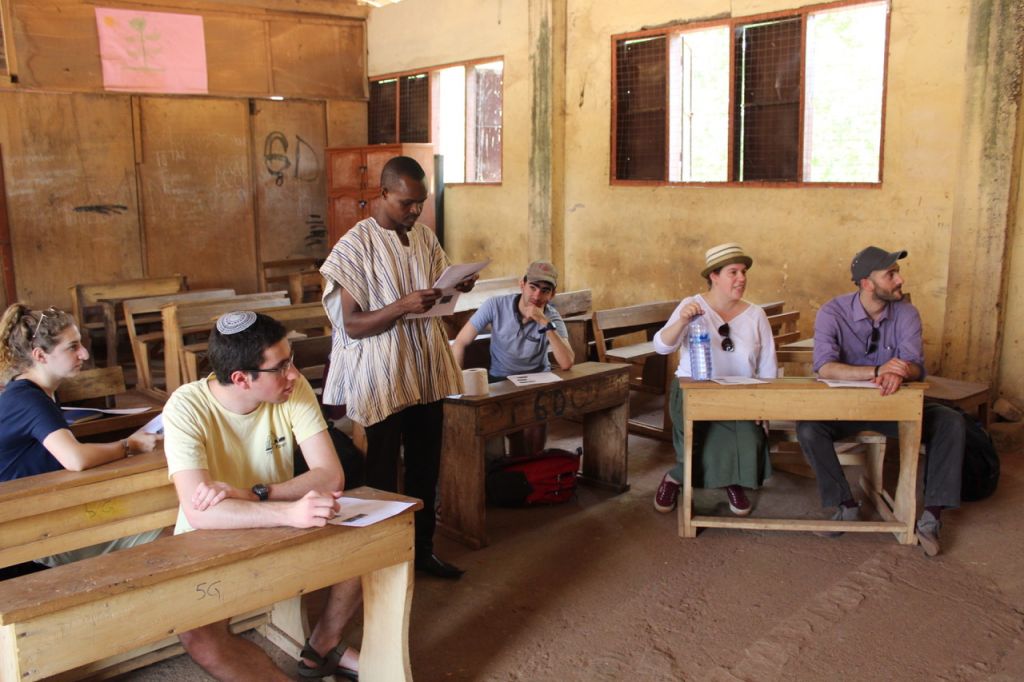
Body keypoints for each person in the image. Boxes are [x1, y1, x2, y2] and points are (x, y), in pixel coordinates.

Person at [163, 311, 361, 680]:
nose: (295, 374)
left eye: (291, 359)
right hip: (214, 538)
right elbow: (201, 513)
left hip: (278, 523)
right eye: (281, 367)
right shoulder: (185, 406)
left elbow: (331, 475)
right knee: (199, 637)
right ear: (241, 378)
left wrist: (256, 494)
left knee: (368, 539)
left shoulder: (291, 389)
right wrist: (287, 512)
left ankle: (322, 645)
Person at [320, 155, 476, 580]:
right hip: (383, 375)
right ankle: (383, 563)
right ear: (383, 193)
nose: (415, 210)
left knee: (425, 467)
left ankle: (422, 550)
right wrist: (401, 306)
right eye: (406, 202)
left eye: (420, 202)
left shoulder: (424, 237)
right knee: (382, 474)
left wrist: (458, 285)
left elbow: (439, 291)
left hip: (424, 369)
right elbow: (351, 325)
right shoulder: (356, 245)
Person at [796, 246, 965, 557]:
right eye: (891, 274)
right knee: (808, 428)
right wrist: (877, 370)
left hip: (895, 403)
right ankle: (845, 505)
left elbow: (915, 366)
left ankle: (931, 517)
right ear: (867, 283)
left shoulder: (906, 313)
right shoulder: (833, 312)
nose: (900, 279)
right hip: (845, 408)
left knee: (950, 422)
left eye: (897, 272)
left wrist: (900, 372)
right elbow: (825, 367)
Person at [0, 303, 161, 577]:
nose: (84, 354)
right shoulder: (27, 399)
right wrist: (129, 445)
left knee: (151, 510)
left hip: (40, 510)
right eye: (73, 347)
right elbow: (75, 459)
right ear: (40, 355)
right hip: (24, 530)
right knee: (161, 531)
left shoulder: (38, 391)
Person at [651, 243, 777, 517]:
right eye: (733, 272)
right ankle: (676, 479)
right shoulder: (692, 306)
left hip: (740, 396)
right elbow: (661, 347)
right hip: (694, 392)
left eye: (744, 272)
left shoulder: (756, 315)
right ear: (714, 276)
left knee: (751, 441)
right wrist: (682, 321)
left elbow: (768, 366)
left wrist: (764, 408)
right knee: (701, 445)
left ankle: (723, 479)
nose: (741, 278)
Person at [452, 260, 574, 456]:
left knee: (536, 424)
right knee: (494, 427)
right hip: (500, 379)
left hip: (536, 382)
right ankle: (506, 466)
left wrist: (544, 322)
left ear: (552, 294)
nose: (537, 296)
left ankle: (530, 465)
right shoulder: (495, 305)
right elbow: (460, 342)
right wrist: (457, 384)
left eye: (544, 290)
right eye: (533, 287)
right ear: (522, 285)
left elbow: (567, 362)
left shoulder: (551, 317)